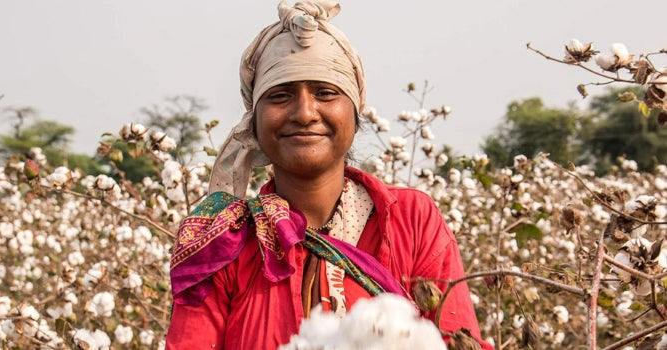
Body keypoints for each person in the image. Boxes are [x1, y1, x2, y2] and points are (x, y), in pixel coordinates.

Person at [166, 1, 492, 349]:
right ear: (254, 122)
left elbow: (458, 341)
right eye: (280, 95)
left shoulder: (411, 220)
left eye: (325, 93)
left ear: (355, 113)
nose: (305, 113)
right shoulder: (224, 242)